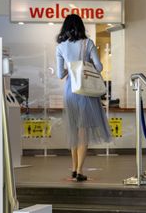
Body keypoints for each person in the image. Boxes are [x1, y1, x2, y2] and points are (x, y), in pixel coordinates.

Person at [55, 14, 112, 182]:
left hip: (69, 91)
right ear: (81, 26)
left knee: (73, 130)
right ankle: (80, 171)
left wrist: (70, 69)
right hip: (85, 91)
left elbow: (59, 74)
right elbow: (99, 67)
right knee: (83, 132)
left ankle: (73, 169)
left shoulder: (61, 47)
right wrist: (84, 64)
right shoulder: (88, 43)